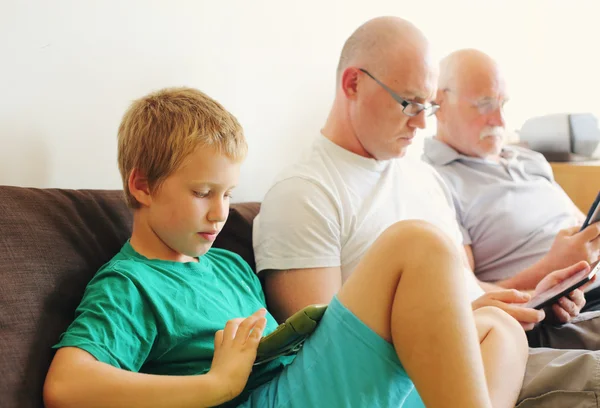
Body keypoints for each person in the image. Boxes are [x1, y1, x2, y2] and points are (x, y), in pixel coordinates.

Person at [42, 87, 527, 408]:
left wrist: (440, 315)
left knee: (498, 330)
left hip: (295, 379)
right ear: (142, 186)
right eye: (202, 193)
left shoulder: (229, 265)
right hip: (261, 400)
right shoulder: (130, 284)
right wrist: (215, 385)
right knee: (417, 242)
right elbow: (64, 385)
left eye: (228, 194)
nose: (219, 213)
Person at [253, 17, 600, 407]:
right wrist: (461, 320)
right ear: (353, 83)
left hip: (489, 340)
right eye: (409, 103)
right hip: (421, 377)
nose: (421, 123)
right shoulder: (304, 194)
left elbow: (471, 289)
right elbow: (328, 356)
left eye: (429, 106)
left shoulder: (422, 176)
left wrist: (537, 293)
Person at [422, 48, 600, 304]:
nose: (500, 120)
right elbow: (468, 295)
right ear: (438, 103)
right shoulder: (435, 182)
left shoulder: (529, 159)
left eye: (502, 104)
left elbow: (583, 226)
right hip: (566, 306)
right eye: (484, 104)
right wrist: (551, 268)